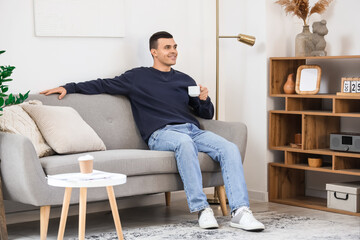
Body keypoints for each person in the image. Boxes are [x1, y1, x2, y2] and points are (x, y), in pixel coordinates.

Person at [41, 31, 265, 231]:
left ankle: (241, 212)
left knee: (229, 147)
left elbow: (206, 114)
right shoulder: (137, 77)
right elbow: (103, 84)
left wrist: (205, 100)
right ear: (154, 52)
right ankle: (202, 209)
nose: (173, 51)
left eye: (175, 47)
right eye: (168, 47)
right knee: (184, 144)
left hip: (191, 130)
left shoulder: (185, 80)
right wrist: (68, 87)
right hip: (161, 134)